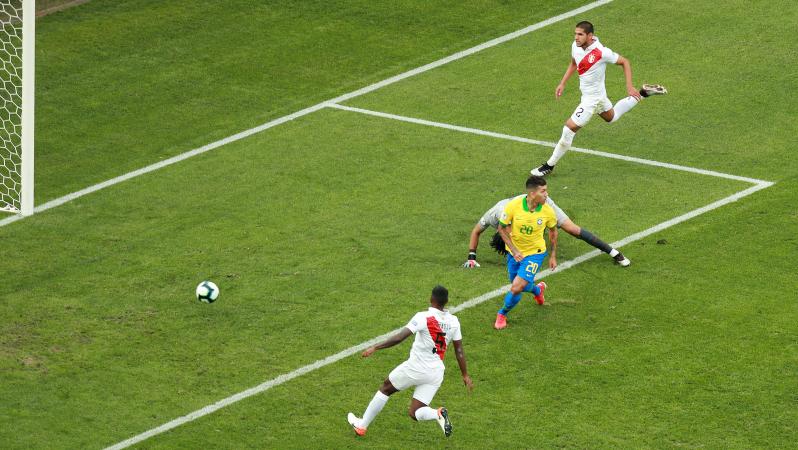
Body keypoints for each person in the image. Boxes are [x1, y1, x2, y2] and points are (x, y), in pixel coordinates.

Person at [530, 21, 667, 176]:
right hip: (599, 97)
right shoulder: (575, 46)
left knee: (568, 130)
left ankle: (549, 165)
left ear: (590, 36)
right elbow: (573, 63)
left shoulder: (601, 52)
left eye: (580, 34)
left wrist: (629, 86)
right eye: (575, 33)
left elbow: (624, 62)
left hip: (591, 101)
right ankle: (643, 93)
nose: (576, 37)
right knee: (612, 117)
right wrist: (562, 83)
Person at [347, 285, 473, 438]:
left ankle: (361, 426)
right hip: (436, 373)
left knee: (386, 387)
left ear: (431, 299)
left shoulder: (423, 317)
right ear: (446, 301)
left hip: (416, 368)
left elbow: (400, 337)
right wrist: (465, 374)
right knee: (415, 412)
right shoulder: (454, 321)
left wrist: (376, 347)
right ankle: (437, 414)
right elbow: (459, 350)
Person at [462, 193, 631, 268]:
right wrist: (471, 257)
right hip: (530, 214)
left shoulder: (505, 213)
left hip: (541, 203)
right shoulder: (494, 215)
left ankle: (614, 253)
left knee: (572, 229)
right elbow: (476, 231)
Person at [494, 176, 558, 330]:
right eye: (543, 191)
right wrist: (514, 250)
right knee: (519, 285)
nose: (546, 194)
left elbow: (553, 232)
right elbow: (501, 228)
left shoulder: (548, 211)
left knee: (516, 288)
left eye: (546, 190)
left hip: (535, 253)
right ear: (532, 193)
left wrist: (553, 255)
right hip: (514, 253)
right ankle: (538, 290)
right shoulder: (513, 206)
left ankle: (502, 314)